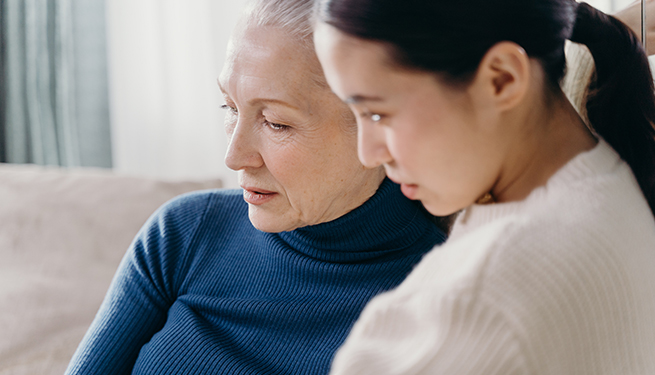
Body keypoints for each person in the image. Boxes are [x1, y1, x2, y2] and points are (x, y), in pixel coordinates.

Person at [63, 0, 447, 374]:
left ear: (376, 126)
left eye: (276, 123)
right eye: (229, 107)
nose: (234, 156)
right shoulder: (185, 234)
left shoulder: (448, 301)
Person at [314, 0, 655, 374]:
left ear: (502, 79)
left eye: (377, 113)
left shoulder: (481, 302)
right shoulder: (607, 182)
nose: (368, 154)